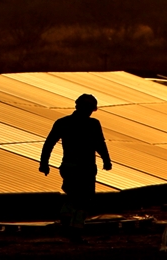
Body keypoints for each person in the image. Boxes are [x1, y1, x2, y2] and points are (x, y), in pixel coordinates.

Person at [39, 93, 112, 243]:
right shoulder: (93, 124)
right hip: (86, 168)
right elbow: (100, 144)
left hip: (69, 167)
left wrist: (44, 163)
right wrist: (106, 160)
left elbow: (49, 143)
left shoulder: (63, 122)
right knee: (84, 200)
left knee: (72, 196)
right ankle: (75, 231)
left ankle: (66, 222)